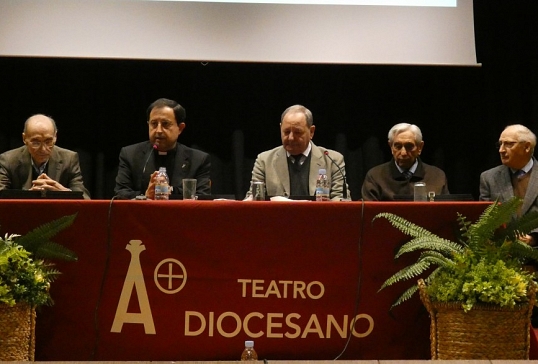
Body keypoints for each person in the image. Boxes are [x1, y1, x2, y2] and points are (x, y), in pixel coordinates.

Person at [245, 104, 349, 201]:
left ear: (311, 131)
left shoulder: (333, 161)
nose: (290, 138)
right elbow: (253, 201)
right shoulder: (264, 161)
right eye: (286, 132)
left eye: (297, 132)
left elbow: (341, 202)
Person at [114, 98, 211, 199]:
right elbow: (120, 194)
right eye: (154, 124)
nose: (158, 130)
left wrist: (170, 190)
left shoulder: (198, 160)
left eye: (165, 124)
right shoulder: (130, 154)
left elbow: (203, 197)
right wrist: (145, 196)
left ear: (180, 128)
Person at [0, 114, 90, 199]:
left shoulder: (69, 159)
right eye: (36, 142)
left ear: (55, 137)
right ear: (24, 138)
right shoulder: (8, 160)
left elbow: (85, 199)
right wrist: (28, 196)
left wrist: (64, 193)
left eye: (48, 141)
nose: (43, 149)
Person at [480, 124, 538, 246]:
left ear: (527, 147)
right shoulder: (488, 178)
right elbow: (484, 221)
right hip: (502, 254)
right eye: (500, 144)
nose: (501, 150)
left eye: (509, 144)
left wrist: (534, 239)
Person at [361, 122, 449, 201]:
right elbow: (369, 214)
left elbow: (446, 213)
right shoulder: (375, 176)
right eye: (398, 146)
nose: (403, 153)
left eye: (409, 146)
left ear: (420, 147)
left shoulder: (437, 176)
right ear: (391, 146)